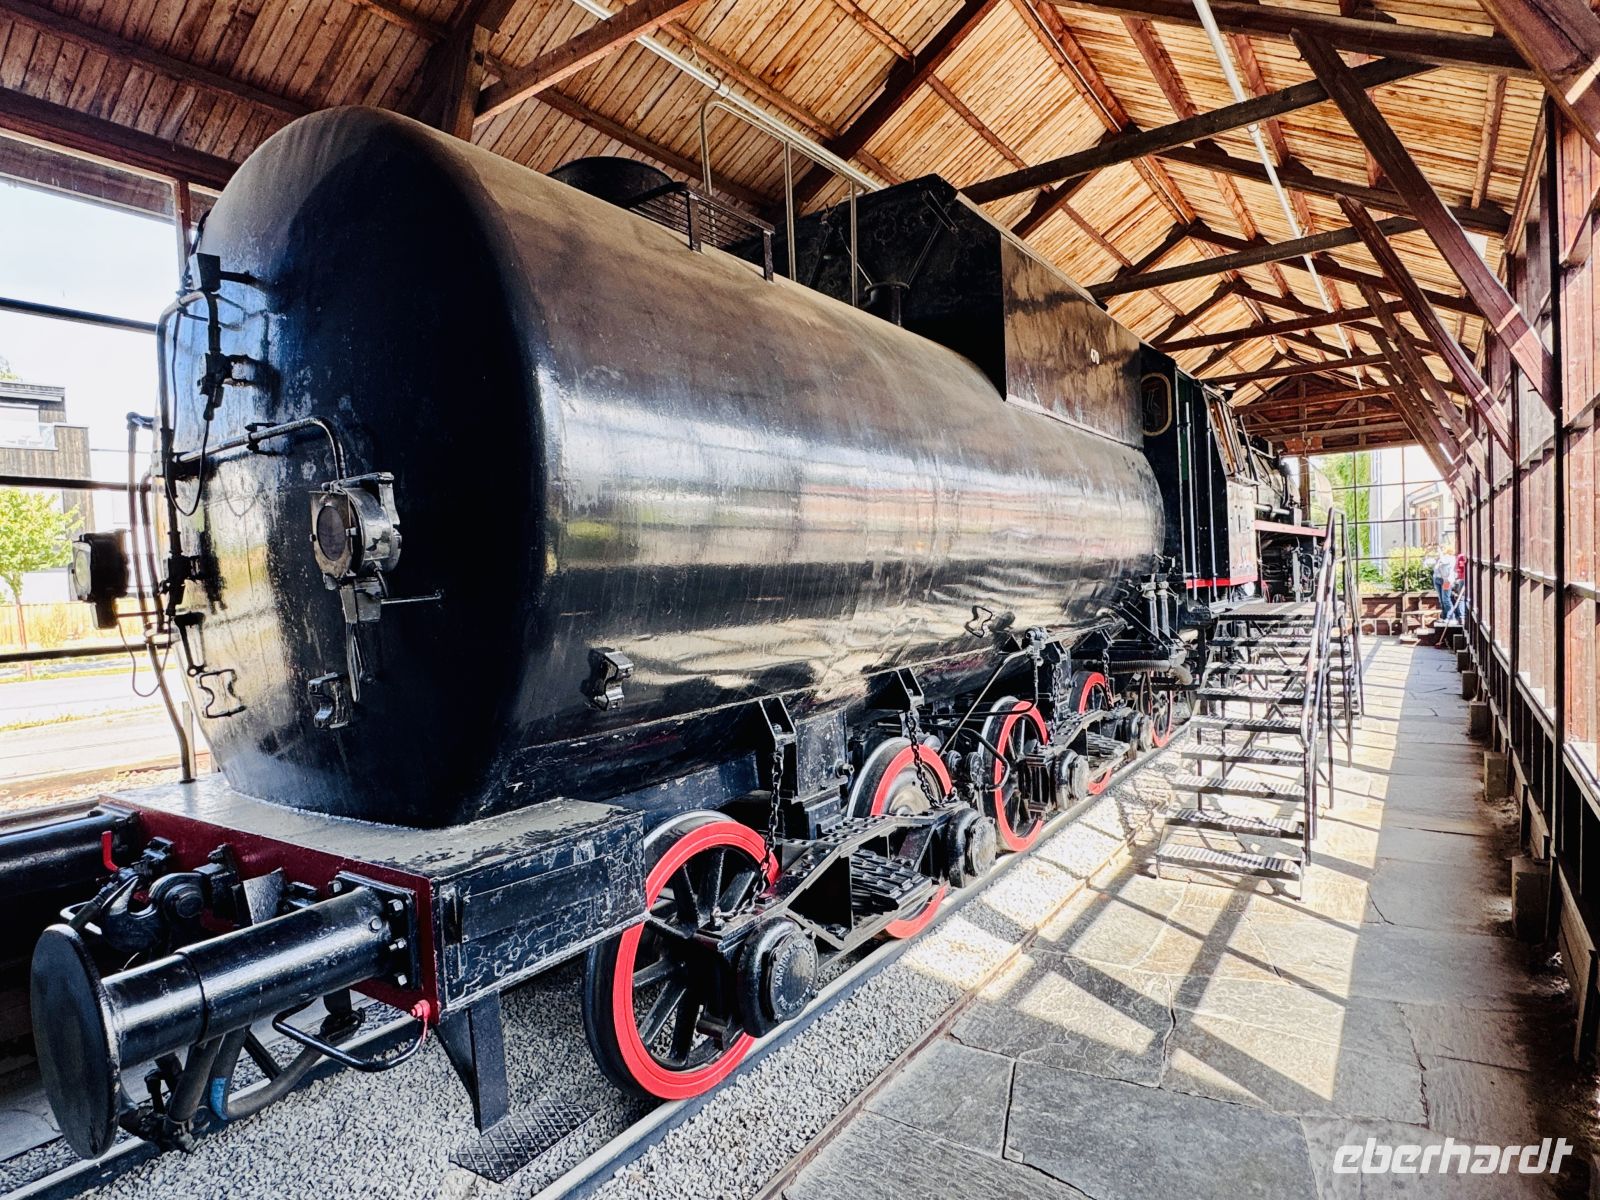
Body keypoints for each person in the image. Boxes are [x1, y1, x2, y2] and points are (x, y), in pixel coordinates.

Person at [1431, 552, 1456, 620]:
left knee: (1446, 599)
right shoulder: (1439, 558)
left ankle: (1450, 617)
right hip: (1437, 579)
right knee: (1441, 599)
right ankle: (1445, 616)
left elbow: (1445, 563)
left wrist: (1439, 557)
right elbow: (1428, 564)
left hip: (1446, 581)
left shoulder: (1450, 559)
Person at [1447, 551, 1467, 621]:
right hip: (1452, 580)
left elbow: (1457, 569)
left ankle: (1455, 616)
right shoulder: (1460, 556)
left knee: (1447, 598)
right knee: (1447, 598)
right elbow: (1457, 569)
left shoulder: (1459, 557)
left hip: (1456, 580)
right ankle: (1457, 616)